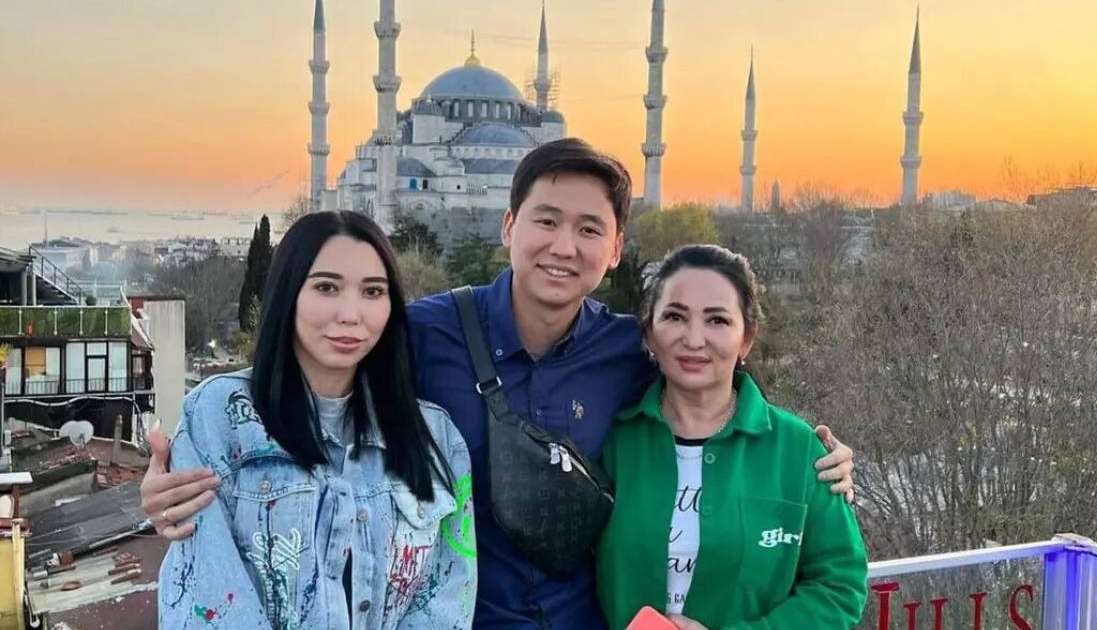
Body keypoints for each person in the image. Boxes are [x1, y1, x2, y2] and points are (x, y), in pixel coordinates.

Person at [143, 138, 856, 629]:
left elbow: (712, 388)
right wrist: (171, 477)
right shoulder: (423, 333)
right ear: (509, 225)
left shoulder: (628, 351)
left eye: (590, 229)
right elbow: (311, 378)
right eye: (546, 220)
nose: (563, 246)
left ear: (614, 250)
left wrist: (816, 458)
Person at [156, 211, 475, 629]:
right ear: (288, 292)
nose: (350, 314)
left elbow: (447, 597)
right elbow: (210, 595)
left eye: (373, 291)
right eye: (326, 287)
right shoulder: (220, 418)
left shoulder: (434, 435)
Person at [596, 244, 868, 629]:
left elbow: (840, 586)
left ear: (747, 339)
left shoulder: (799, 450)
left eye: (717, 320)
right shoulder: (612, 441)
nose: (694, 339)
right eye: (674, 316)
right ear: (650, 334)